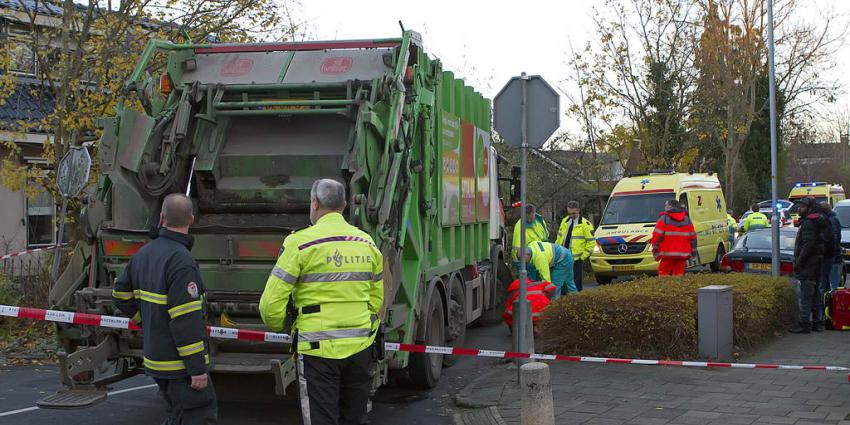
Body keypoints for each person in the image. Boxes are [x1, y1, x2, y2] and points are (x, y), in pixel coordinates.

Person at [259, 179, 383, 425]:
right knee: (355, 418)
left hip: (317, 350)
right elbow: (376, 302)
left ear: (314, 203)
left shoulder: (299, 243)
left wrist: (284, 326)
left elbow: (270, 307)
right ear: (345, 205)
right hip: (361, 348)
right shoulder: (367, 243)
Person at [112, 193, 217, 425]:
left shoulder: (143, 254)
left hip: (156, 360)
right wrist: (197, 369)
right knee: (199, 416)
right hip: (179, 366)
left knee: (175, 416)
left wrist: (147, 321)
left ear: (161, 218)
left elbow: (119, 294)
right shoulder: (181, 261)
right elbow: (186, 322)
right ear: (191, 219)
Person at [790, 197, 827, 333]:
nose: (799, 209)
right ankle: (817, 323)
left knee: (805, 295)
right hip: (817, 263)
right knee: (816, 294)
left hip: (808, 264)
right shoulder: (819, 221)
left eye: (802, 207)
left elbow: (808, 244)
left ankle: (805, 323)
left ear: (810, 208)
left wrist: (799, 262)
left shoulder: (808, 223)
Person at [555, 201, 595, 292]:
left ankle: (577, 301)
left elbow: (591, 242)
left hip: (576, 259)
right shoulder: (565, 221)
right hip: (563, 256)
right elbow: (559, 238)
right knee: (564, 281)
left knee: (576, 283)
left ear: (578, 210)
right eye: (569, 213)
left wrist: (583, 257)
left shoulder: (586, 224)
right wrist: (556, 251)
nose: (571, 215)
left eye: (573, 213)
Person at [651, 199, 697, 277]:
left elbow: (657, 237)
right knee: (678, 278)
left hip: (667, 255)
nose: (664, 207)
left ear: (670, 206)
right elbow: (693, 238)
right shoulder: (687, 220)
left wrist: (655, 250)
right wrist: (693, 253)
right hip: (682, 255)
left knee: (663, 277)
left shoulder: (664, 219)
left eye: (666, 205)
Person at [511, 203, 548, 275]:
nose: (529, 220)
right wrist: (519, 264)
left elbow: (545, 238)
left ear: (534, 213)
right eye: (527, 218)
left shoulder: (540, 222)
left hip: (541, 258)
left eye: (531, 218)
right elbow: (516, 248)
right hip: (528, 262)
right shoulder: (520, 226)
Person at [820, 202, 842, 292]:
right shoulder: (831, 219)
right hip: (833, 256)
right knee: (829, 284)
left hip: (833, 257)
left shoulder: (831, 220)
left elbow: (834, 239)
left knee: (832, 286)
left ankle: (832, 304)